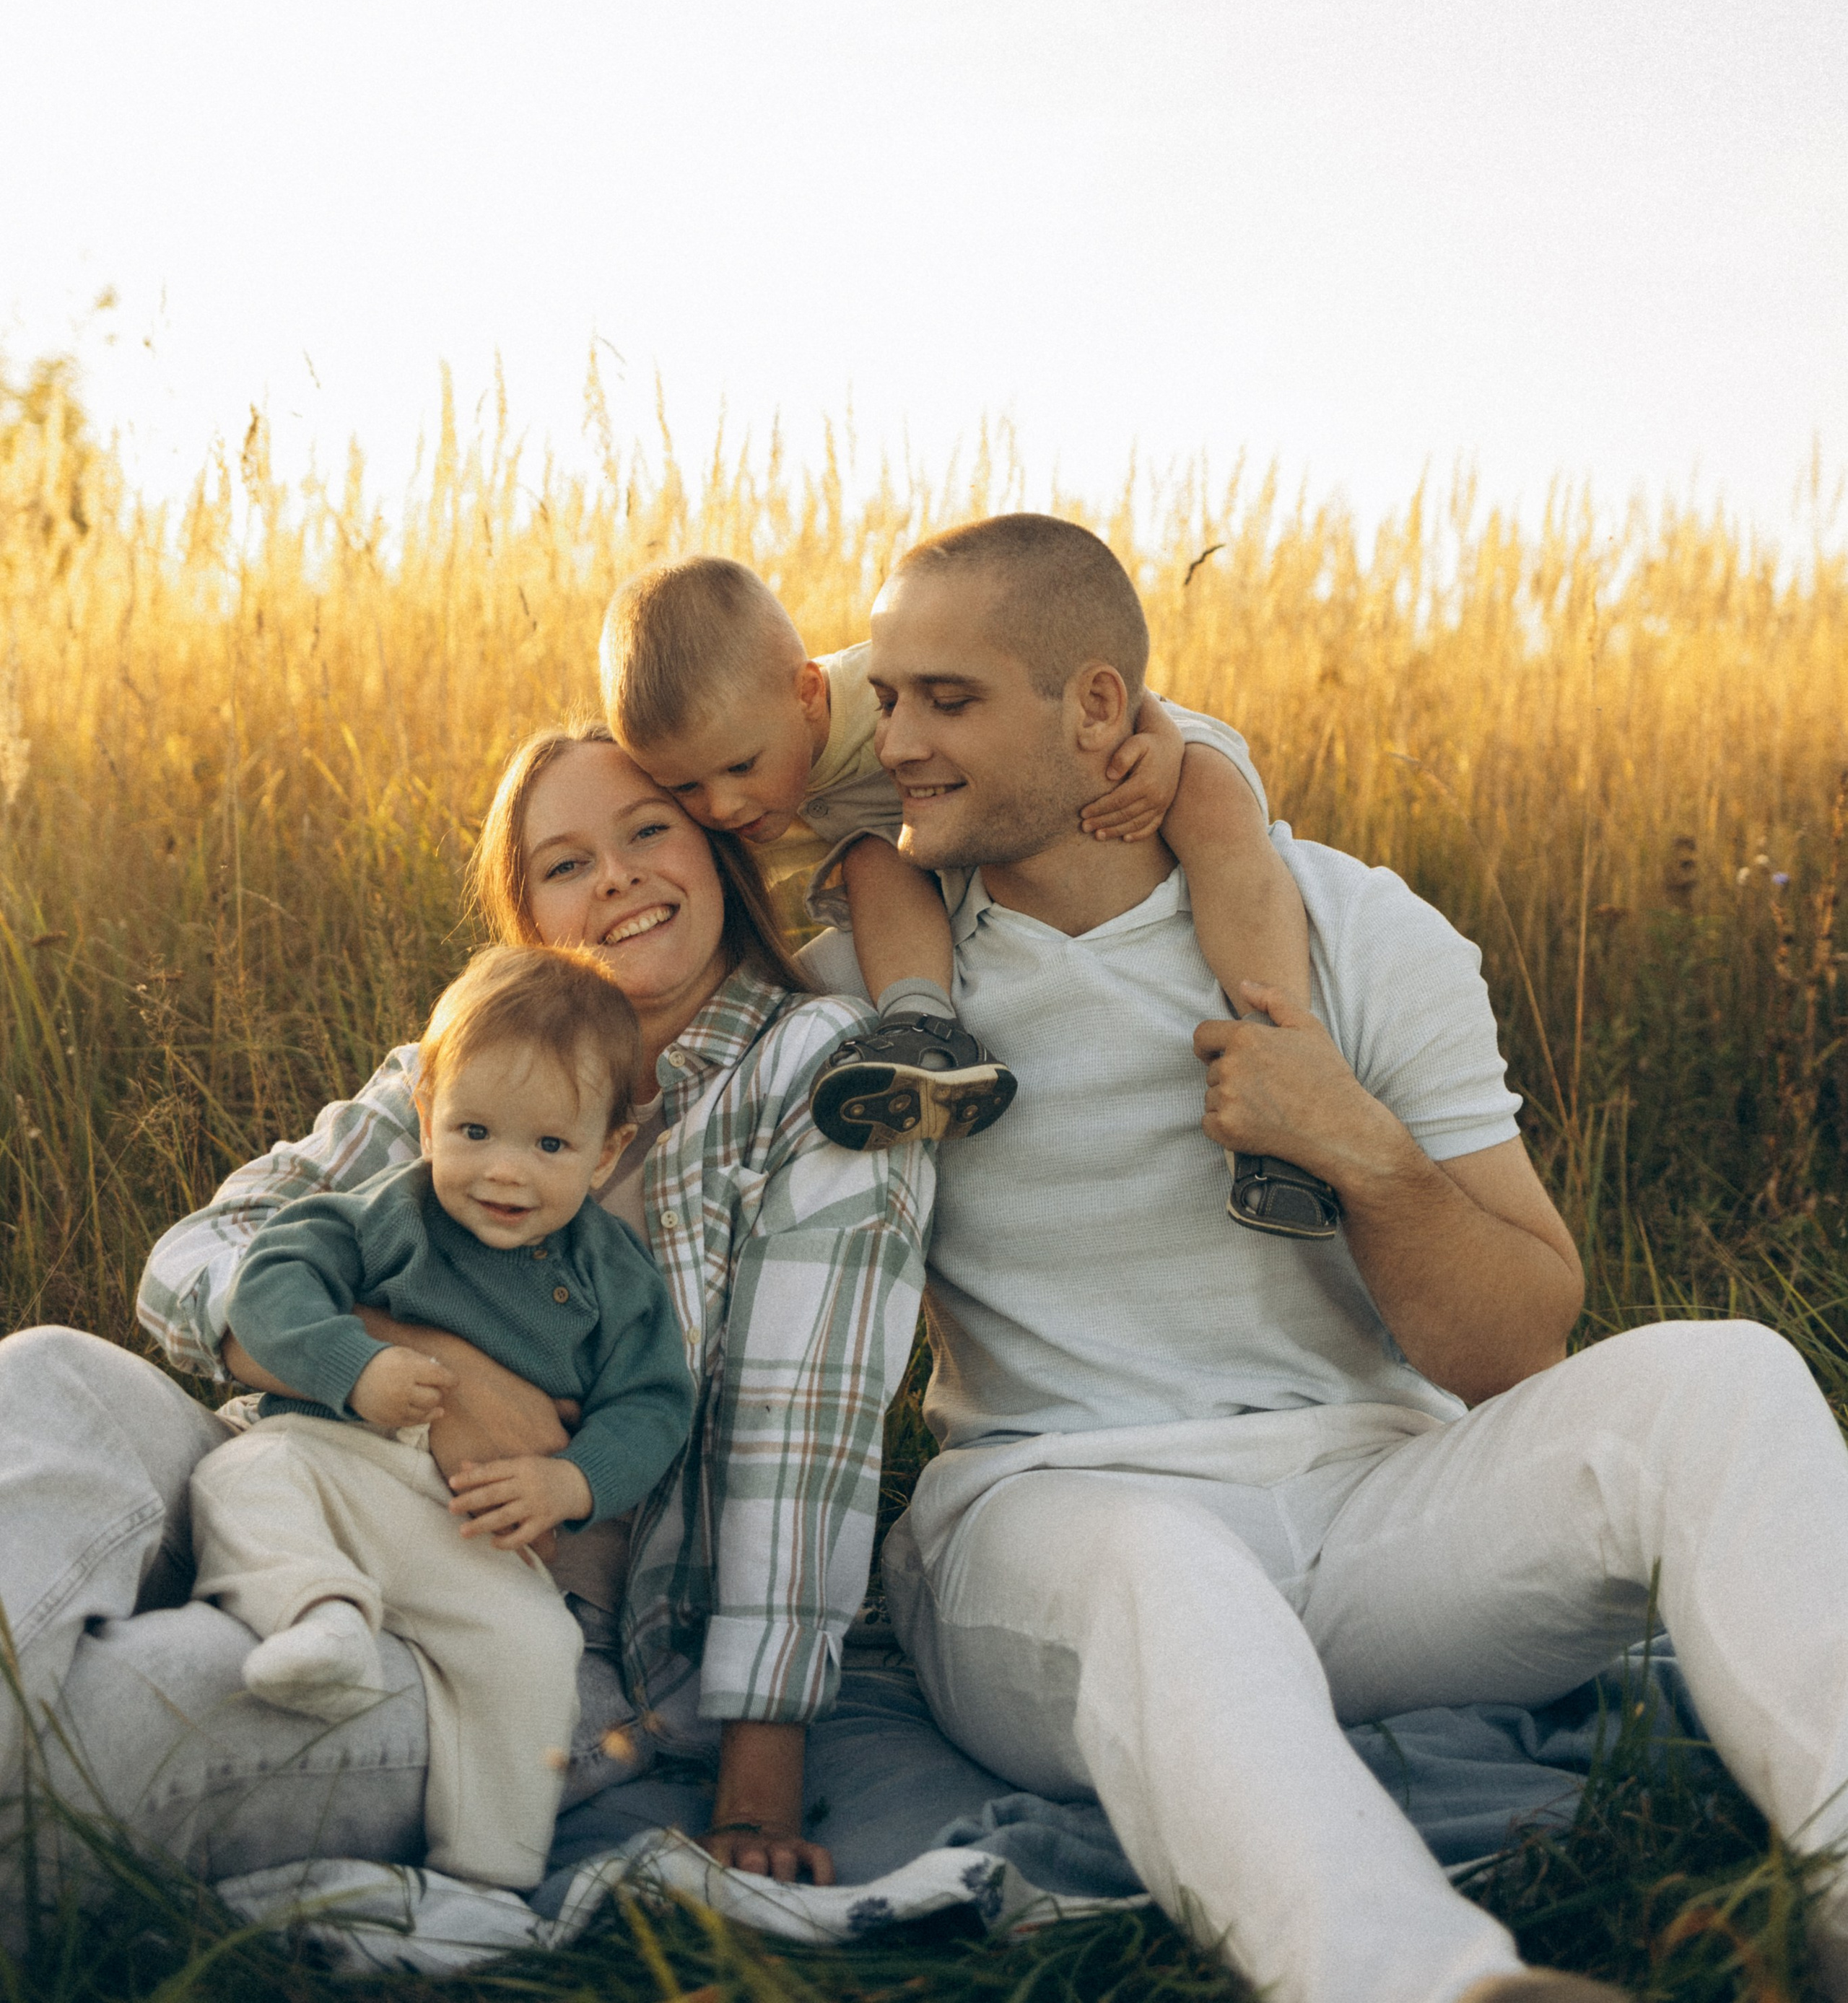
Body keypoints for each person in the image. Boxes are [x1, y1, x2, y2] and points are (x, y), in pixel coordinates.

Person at [806, 510, 1848, 2003]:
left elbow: (1513, 1346)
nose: (898, 741)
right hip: (1055, 1518)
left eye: (946, 701)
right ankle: (1428, 1983)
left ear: (1095, 708)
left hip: (1379, 1520)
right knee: (1159, 1564)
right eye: (886, 699)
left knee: (1725, 1380)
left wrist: (1361, 1150)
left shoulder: (1355, 927)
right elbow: (715, 775)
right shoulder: (871, 991)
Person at [2, 726, 928, 1901]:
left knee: (122, 1716)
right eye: (565, 863)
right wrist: (405, 1363)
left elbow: (801, 1432)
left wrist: (757, 1788)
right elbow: (197, 1252)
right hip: (295, 1474)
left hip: (521, 1609)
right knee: (47, 1374)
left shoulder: (813, 1070)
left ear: (716, 848)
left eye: (649, 831)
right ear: (530, 915)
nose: (616, 879)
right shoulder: (455, 1067)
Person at [186, 943, 694, 1888]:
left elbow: (653, 1402)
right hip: (332, 1459)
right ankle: (321, 1619)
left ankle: (491, 1874)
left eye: (549, 1147)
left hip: (468, 1522)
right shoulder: (388, 1213)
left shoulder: (610, 1275)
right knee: (244, 1476)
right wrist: (355, 1364)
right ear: (425, 1114)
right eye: (475, 1131)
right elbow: (271, 1279)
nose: (505, 1172)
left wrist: (569, 1482)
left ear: (606, 1152)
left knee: (534, 1646)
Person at [601, 554, 1315, 1183]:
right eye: (685, 787)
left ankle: (1281, 1044)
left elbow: (1059, 676)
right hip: (933, 849)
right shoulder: (731, 800)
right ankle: (924, 1034)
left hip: (1100, 755)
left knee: (1209, 799)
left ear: (809, 692)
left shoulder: (873, 689)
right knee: (871, 856)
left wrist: (1156, 737)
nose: (722, 805)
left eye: (741, 767)